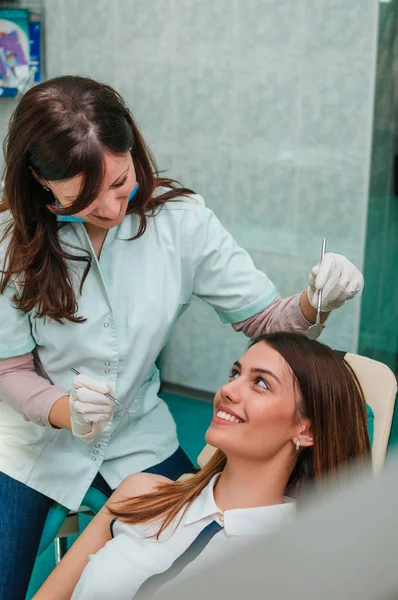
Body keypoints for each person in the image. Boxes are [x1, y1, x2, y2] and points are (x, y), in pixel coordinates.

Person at [0, 75, 364, 600]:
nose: (109, 209)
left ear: (134, 152)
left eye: (120, 182)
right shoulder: (13, 244)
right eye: (80, 199)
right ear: (40, 180)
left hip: (136, 437)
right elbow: (9, 371)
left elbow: (266, 322)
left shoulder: (181, 222)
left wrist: (316, 301)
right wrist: (64, 411)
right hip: (27, 444)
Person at [33, 332, 371, 599]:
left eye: (261, 383)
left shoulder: (295, 564)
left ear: (306, 429)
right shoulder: (141, 494)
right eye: (235, 374)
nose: (228, 390)